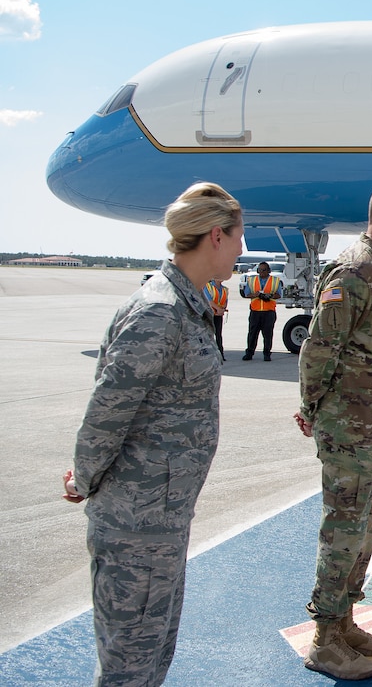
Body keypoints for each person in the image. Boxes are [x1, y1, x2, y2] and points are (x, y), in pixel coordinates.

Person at [61, 182, 244, 687]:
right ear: (215, 236)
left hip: (160, 516)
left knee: (152, 654)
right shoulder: (159, 312)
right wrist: (85, 479)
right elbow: (107, 412)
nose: (242, 248)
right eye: (238, 236)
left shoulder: (188, 305)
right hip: (134, 522)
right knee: (130, 665)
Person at [294, 182, 372, 681]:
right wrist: (310, 407)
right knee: (344, 530)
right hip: (348, 428)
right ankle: (325, 638)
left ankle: (345, 623)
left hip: (371, 428)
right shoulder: (354, 269)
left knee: (365, 528)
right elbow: (320, 345)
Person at [240, 261, 282, 361]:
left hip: (269, 311)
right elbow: (246, 294)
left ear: (269, 271)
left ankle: (267, 354)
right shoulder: (251, 280)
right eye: (259, 270)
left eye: (263, 270)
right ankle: (249, 353)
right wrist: (256, 294)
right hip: (255, 311)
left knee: (268, 334)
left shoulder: (275, 281)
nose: (261, 272)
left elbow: (279, 294)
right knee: (252, 333)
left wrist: (270, 295)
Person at [203, 276, 229, 360]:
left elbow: (225, 301)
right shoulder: (208, 287)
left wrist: (222, 309)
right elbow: (209, 300)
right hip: (209, 314)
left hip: (218, 314)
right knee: (208, 334)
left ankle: (220, 354)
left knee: (218, 334)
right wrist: (218, 309)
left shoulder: (225, 289)